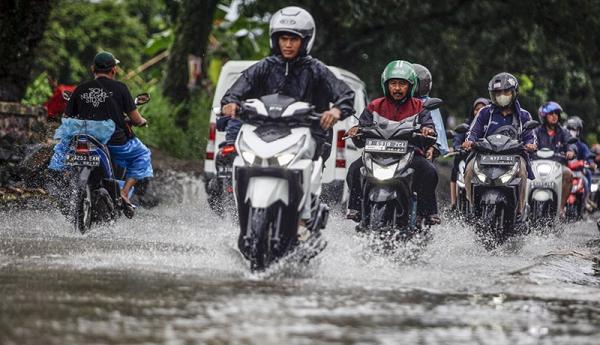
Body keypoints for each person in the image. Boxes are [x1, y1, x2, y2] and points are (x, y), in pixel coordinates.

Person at [220, 6, 355, 161]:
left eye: (294, 39)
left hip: (307, 135)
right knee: (232, 153)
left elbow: (346, 94)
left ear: (305, 41)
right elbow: (235, 92)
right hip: (263, 133)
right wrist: (231, 103)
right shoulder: (264, 66)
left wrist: (336, 111)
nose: (288, 45)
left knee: (311, 165)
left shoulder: (317, 70)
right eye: (284, 39)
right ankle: (230, 181)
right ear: (276, 40)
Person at [345, 60, 440, 225]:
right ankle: (355, 208)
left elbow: (430, 128)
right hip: (376, 154)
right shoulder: (375, 106)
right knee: (354, 169)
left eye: (402, 84)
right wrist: (355, 131)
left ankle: (428, 212)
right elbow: (361, 130)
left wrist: (428, 131)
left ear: (411, 86)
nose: (397, 88)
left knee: (430, 171)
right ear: (386, 85)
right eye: (393, 83)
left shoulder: (419, 106)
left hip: (409, 154)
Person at [55, 51, 153, 207]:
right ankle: (124, 193)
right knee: (143, 155)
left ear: (93, 68)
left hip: (82, 139)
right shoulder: (121, 88)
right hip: (114, 142)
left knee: (62, 156)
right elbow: (136, 119)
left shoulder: (81, 89)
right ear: (113, 70)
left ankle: (66, 187)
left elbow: (67, 118)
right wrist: (142, 121)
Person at [462, 72, 537, 219]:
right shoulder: (484, 112)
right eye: (497, 92)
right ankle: (472, 206)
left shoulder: (524, 116)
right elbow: (473, 131)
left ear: (514, 92)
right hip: (485, 156)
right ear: (492, 95)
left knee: (522, 171)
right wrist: (469, 141)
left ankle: (519, 211)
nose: (502, 95)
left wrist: (531, 145)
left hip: (514, 157)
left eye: (506, 92)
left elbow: (531, 137)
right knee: (469, 169)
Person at [534, 101, 576, 214]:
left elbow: (570, 143)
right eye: (551, 114)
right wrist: (530, 147)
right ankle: (522, 208)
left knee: (568, 174)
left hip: (557, 166)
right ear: (544, 116)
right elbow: (530, 141)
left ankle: (561, 208)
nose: (554, 116)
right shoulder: (536, 131)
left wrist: (570, 151)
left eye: (556, 114)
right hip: (537, 165)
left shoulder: (563, 132)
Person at [449, 97, 490, 209]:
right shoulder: (467, 124)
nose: (479, 111)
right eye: (477, 109)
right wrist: (458, 147)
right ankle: (453, 201)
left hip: (486, 159)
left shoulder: (492, 125)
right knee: (456, 164)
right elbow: (458, 139)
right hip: (468, 157)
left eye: (483, 108)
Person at [412, 63, 449, 158]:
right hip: (391, 147)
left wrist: (432, 146)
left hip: (418, 150)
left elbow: (435, 129)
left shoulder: (427, 103)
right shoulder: (387, 102)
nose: (398, 88)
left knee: (429, 171)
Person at [566, 115, 596, 208]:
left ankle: (586, 199)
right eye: (570, 128)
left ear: (579, 130)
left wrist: (591, 163)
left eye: (574, 128)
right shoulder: (562, 141)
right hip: (564, 171)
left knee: (586, 178)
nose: (572, 131)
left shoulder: (582, 146)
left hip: (578, 172)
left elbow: (588, 156)